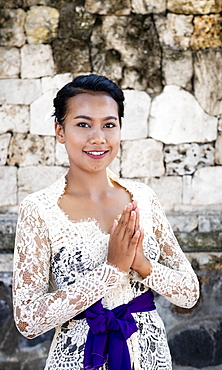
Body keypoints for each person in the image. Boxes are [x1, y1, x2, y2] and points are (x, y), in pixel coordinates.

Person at [13, 74, 199, 370]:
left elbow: (189, 293)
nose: (98, 137)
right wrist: (111, 271)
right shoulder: (39, 209)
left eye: (109, 125)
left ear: (120, 129)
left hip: (149, 356)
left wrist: (141, 264)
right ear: (60, 131)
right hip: (79, 359)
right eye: (83, 124)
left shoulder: (142, 197)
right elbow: (28, 319)